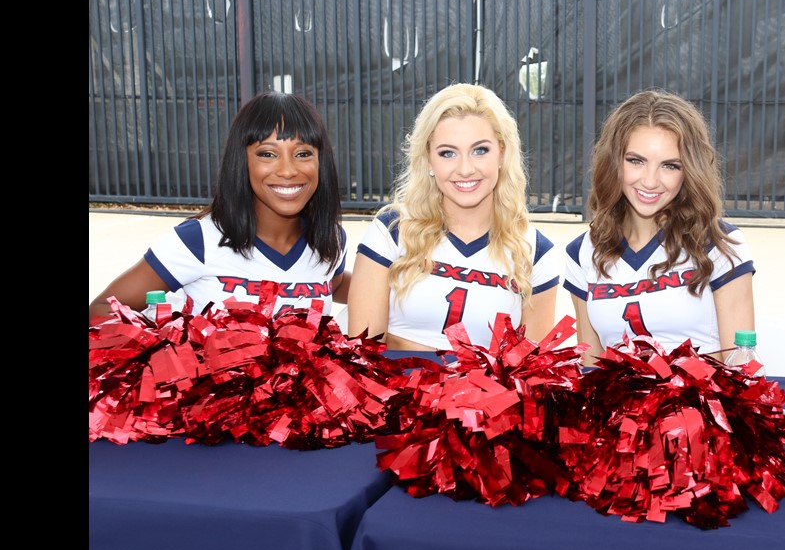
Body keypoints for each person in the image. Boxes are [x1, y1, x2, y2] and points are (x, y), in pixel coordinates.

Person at [88, 90, 351, 322]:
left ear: (321, 162)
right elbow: (100, 309)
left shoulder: (330, 239)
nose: (287, 170)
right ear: (242, 161)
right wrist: (170, 347)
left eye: (302, 153)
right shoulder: (198, 239)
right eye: (267, 154)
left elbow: (333, 283)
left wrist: (388, 282)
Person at [347, 83, 560, 351]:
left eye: (480, 150)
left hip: (488, 394)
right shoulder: (392, 229)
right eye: (447, 153)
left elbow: (531, 373)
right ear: (428, 160)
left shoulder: (535, 251)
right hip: (393, 390)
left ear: (502, 153)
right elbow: (362, 355)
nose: (465, 169)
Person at [562, 89, 756, 364]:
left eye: (670, 165)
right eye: (636, 161)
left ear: (689, 171)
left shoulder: (720, 244)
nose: (651, 181)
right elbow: (591, 366)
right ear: (614, 161)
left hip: (702, 406)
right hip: (616, 407)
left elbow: (742, 367)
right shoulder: (582, 253)